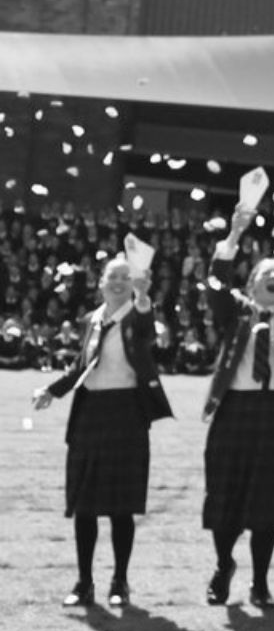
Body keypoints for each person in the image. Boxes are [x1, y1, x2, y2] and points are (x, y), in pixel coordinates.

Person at [34, 252, 172, 607]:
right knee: (85, 505)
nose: (118, 281)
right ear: (100, 282)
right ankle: (83, 583)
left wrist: (143, 296)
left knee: (121, 507)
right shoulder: (91, 320)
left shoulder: (138, 314)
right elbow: (82, 366)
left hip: (127, 414)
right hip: (89, 415)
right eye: (113, 276)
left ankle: (119, 582)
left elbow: (145, 324)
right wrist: (52, 391)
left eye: (125, 277)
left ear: (134, 282)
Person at [200, 208, 274, 608]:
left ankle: (260, 582)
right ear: (250, 285)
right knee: (225, 494)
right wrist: (233, 234)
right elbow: (215, 285)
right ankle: (223, 563)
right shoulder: (236, 312)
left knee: (268, 499)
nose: (273, 277)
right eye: (264, 273)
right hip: (233, 411)